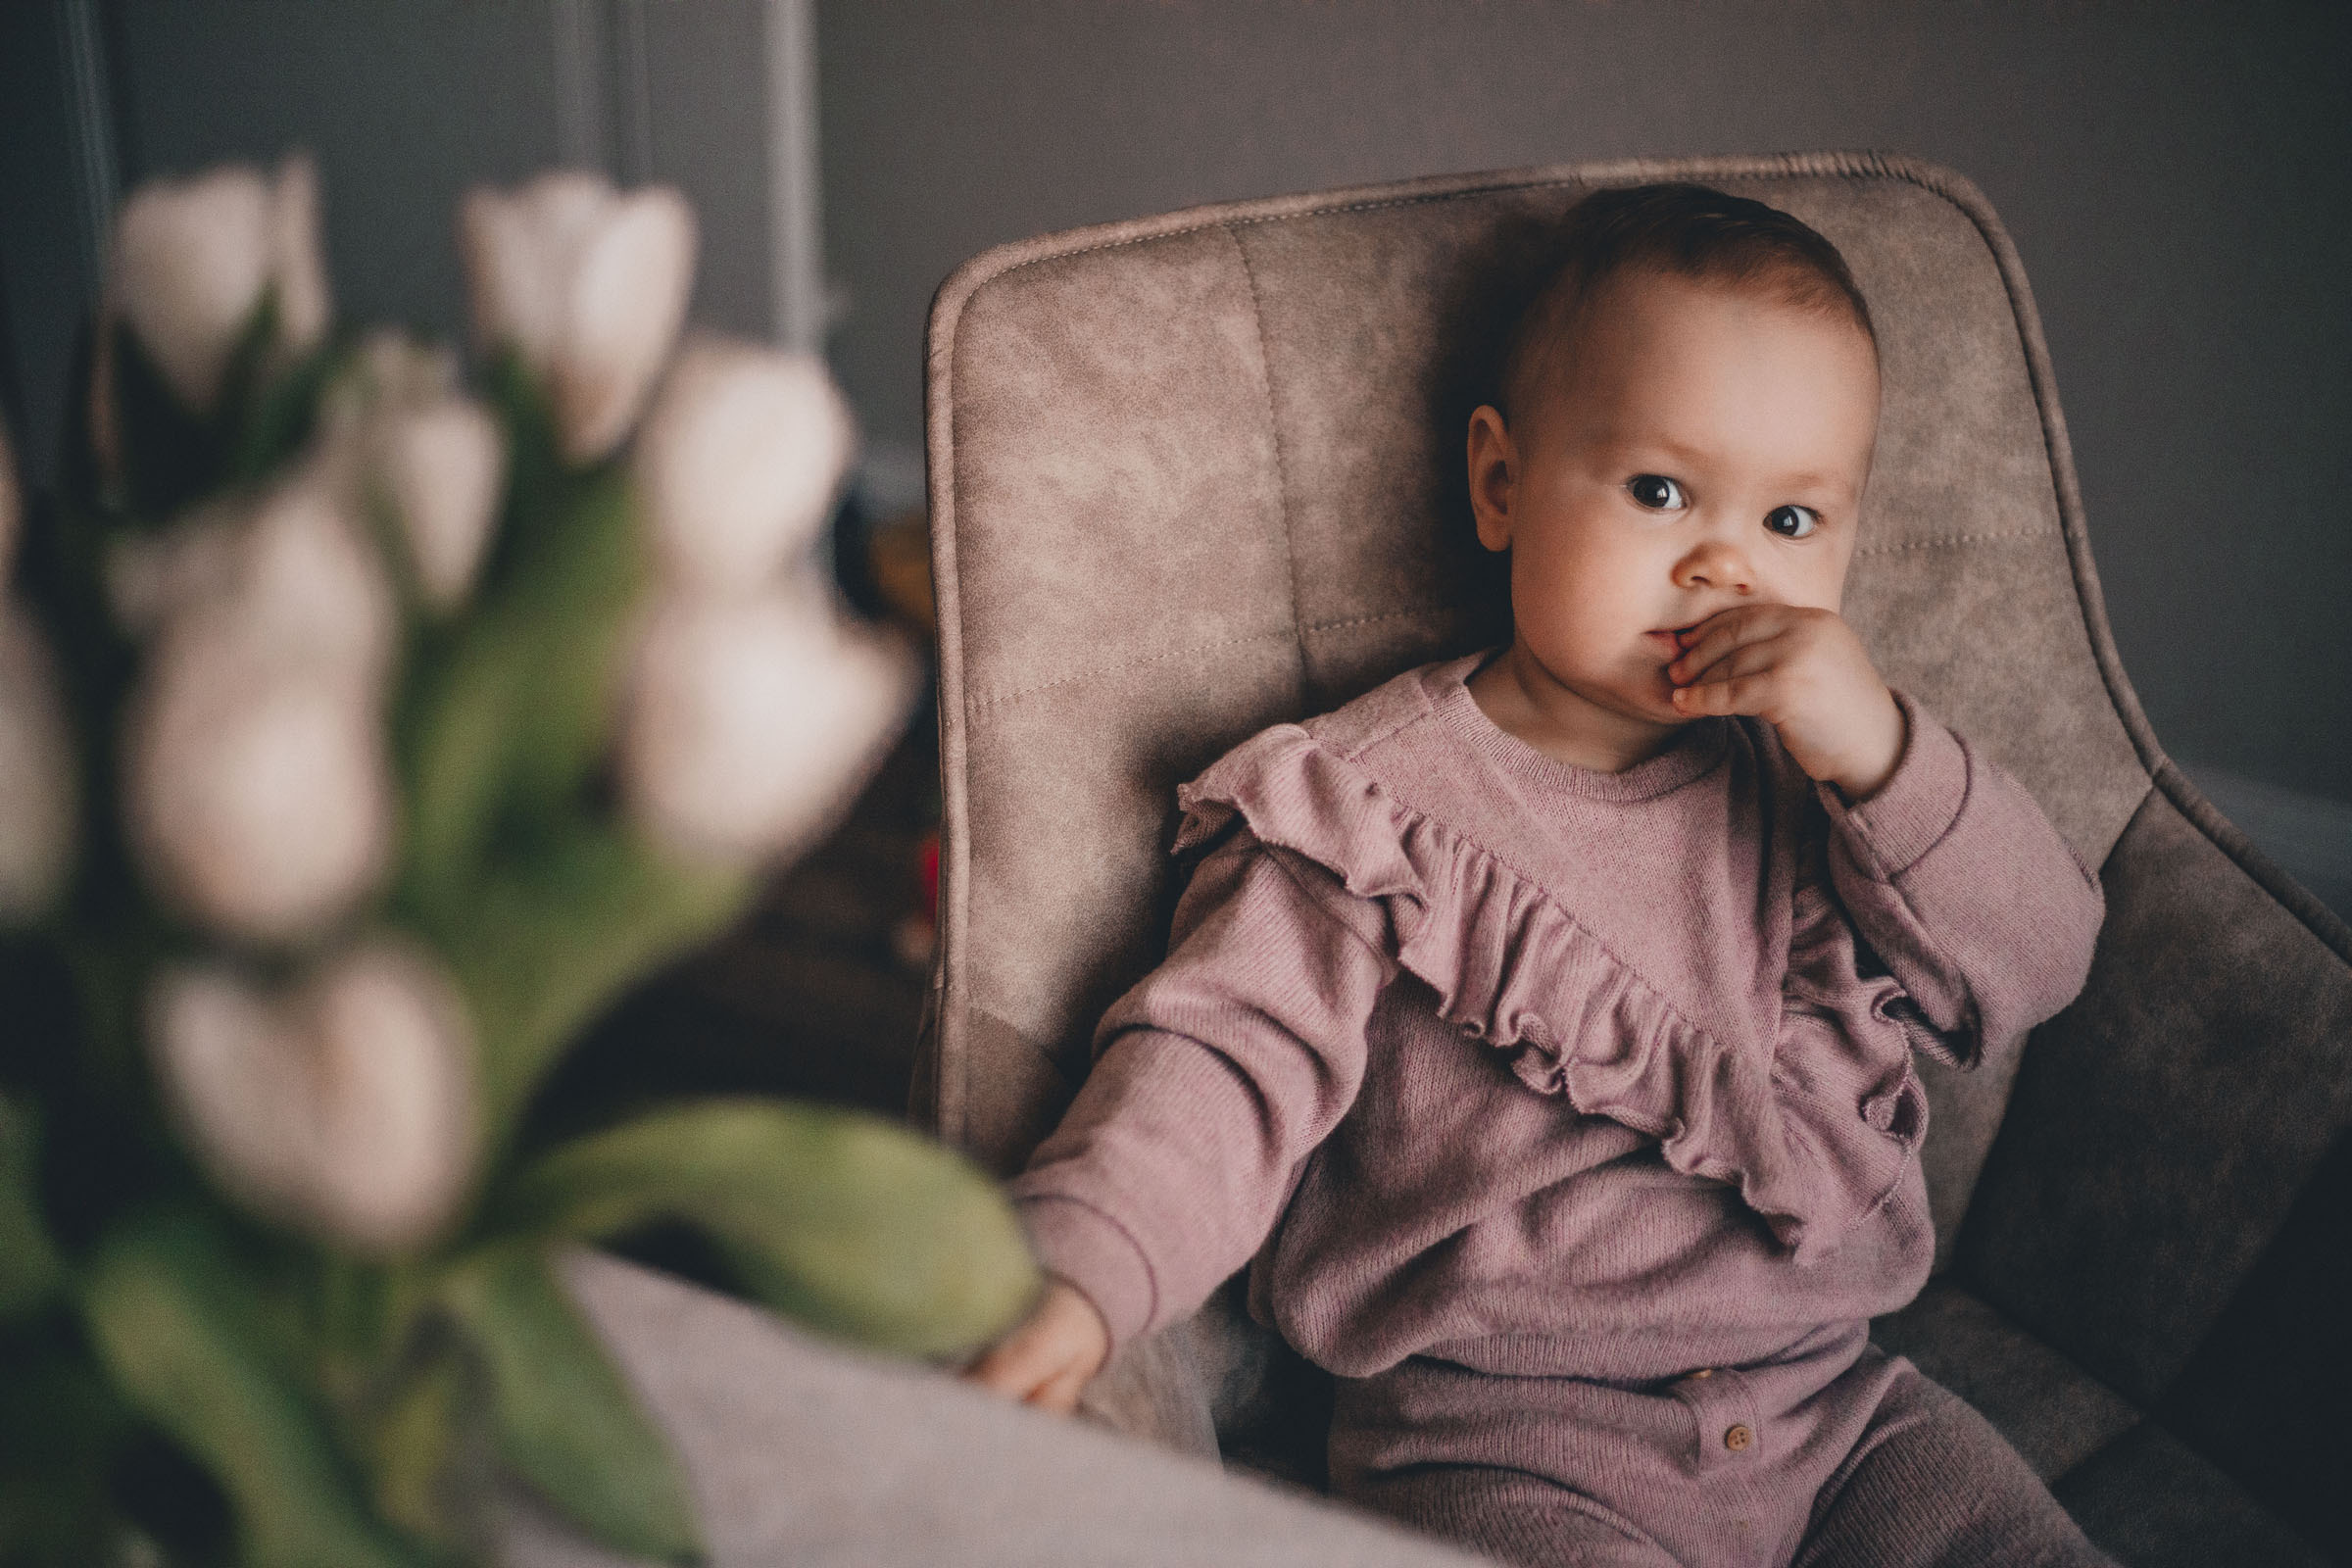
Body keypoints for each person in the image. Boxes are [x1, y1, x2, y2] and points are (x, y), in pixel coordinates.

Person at [962, 183, 2112, 1568]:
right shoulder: (1367, 809)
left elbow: (2044, 962)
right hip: (1504, 1446)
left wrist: (1884, 749)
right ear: (1502, 485)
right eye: (1660, 492)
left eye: (1795, 521)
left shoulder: (1833, 787)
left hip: (1839, 1414)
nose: (1726, 564)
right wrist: (1083, 1269)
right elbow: (1221, 1069)